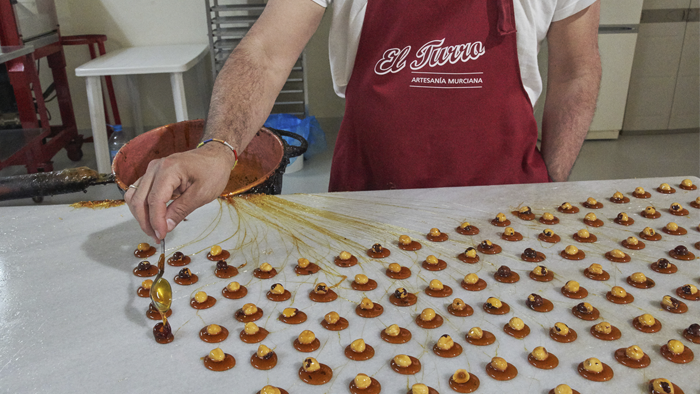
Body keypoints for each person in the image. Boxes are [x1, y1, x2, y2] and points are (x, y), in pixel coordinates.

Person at [125, 0, 601, 242]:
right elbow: (266, 51)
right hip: (367, 205)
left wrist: (554, 183)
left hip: (508, 208)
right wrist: (218, 148)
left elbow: (577, 71)